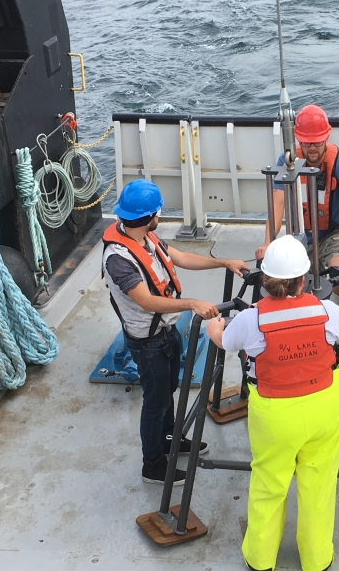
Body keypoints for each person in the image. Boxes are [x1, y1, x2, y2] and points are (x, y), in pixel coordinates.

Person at [207, 235, 339, 571]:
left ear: (263, 279)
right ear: (304, 279)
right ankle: (317, 559)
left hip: (275, 413)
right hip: (324, 405)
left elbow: (226, 342)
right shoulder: (327, 310)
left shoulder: (251, 319)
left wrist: (213, 328)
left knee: (269, 483)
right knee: (319, 484)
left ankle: (260, 560)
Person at [102, 179, 248, 485]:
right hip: (148, 342)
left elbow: (180, 258)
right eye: (157, 212)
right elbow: (145, 300)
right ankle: (152, 464)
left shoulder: (145, 238)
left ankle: (168, 439)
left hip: (165, 335)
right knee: (155, 401)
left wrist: (223, 262)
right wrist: (192, 303)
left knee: (167, 391)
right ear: (150, 216)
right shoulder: (118, 258)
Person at [254, 104, 339, 300]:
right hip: (299, 234)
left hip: (335, 233)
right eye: (307, 143)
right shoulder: (287, 161)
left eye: (317, 142)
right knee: (283, 283)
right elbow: (277, 205)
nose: (312, 148)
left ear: (326, 137)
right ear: (298, 139)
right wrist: (268, 244)